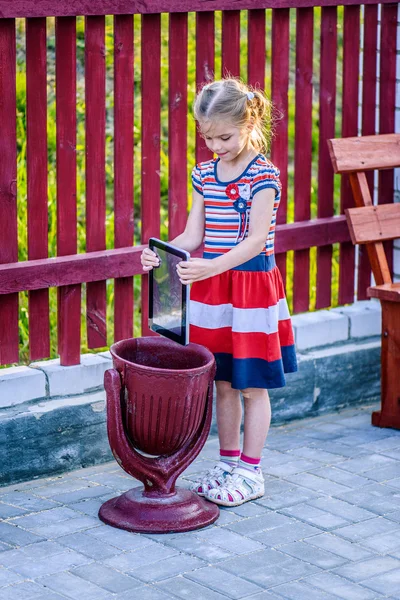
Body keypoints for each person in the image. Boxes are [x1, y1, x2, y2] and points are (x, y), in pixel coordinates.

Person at [141, 77, 297, 507]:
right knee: (223, 383)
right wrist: (163, 253)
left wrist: (212, 264)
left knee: (252, 386)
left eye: (224, 136)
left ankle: (251, 471)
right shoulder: (205, 173)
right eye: (207, 137)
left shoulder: (264, 176)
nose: (215, 146)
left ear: (249, 123)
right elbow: (194, 234)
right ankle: (228, 463)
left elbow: (254, 240)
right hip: (215, 290)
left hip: (249, 289)